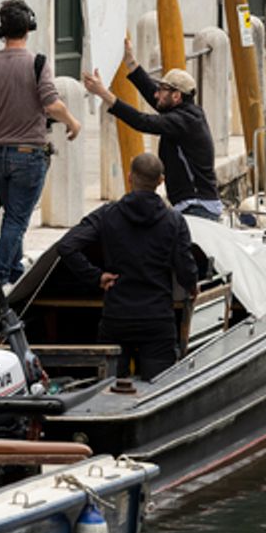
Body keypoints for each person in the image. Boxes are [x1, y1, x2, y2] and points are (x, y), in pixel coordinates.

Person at [0, 0, 82, 287]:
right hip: (28, 153)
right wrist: (72, 121)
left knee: (10, 215)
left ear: (1, 30)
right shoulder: (37, 63)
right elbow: (52, 103)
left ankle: (15, 271)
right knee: (17, 219)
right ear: (28, 27)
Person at [55, 153, 198, 380]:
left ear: (130, 177)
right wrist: (192, 287)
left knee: (109, 388)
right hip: (157, 319)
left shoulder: (107, 215)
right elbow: (185, 268)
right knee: (158, 387)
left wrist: (95, 277)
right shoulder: (174, 221)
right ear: (161, 181)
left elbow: (67, 246)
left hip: (117, 317)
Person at [81, 38, 220, 220]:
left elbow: (142, 122)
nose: (156, 93)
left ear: (176, 96)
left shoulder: (183, 121)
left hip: (197, 206)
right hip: (192, 205)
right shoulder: (185, 113)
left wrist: (103, 93)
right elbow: (153, 96)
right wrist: (130, 62)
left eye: (162, 89)